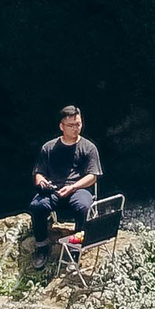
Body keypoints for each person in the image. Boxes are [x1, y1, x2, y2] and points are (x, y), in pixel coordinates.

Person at [28, 105, 103, 269]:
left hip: (78, 189)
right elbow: (39, 172)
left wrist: (73, 187)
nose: (76, 128)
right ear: (62, 126)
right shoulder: (48, 147)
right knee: (37, 206)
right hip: (53, 190)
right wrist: (41, 183)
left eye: (78, 124)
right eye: (71, 125)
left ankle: (76, 248)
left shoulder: (88, 147)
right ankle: (42, 246)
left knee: (84, 206)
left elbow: (92, 176)